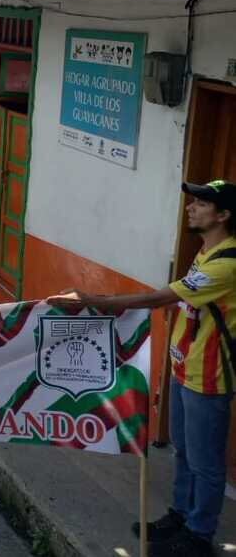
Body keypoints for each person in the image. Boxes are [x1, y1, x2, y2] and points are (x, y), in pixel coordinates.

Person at [49, 180, 236, 557]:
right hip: (184, 367)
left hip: (209, 376)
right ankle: (181, 516)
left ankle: (200, 534)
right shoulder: (205, 253)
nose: (191, 208)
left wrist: (96, 301)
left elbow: (160, 296)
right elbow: (181, 301)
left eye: (201, 204)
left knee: (206, 462)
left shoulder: (228, 263)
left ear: (224, 215)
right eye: (193, 202)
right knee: (184, 451)